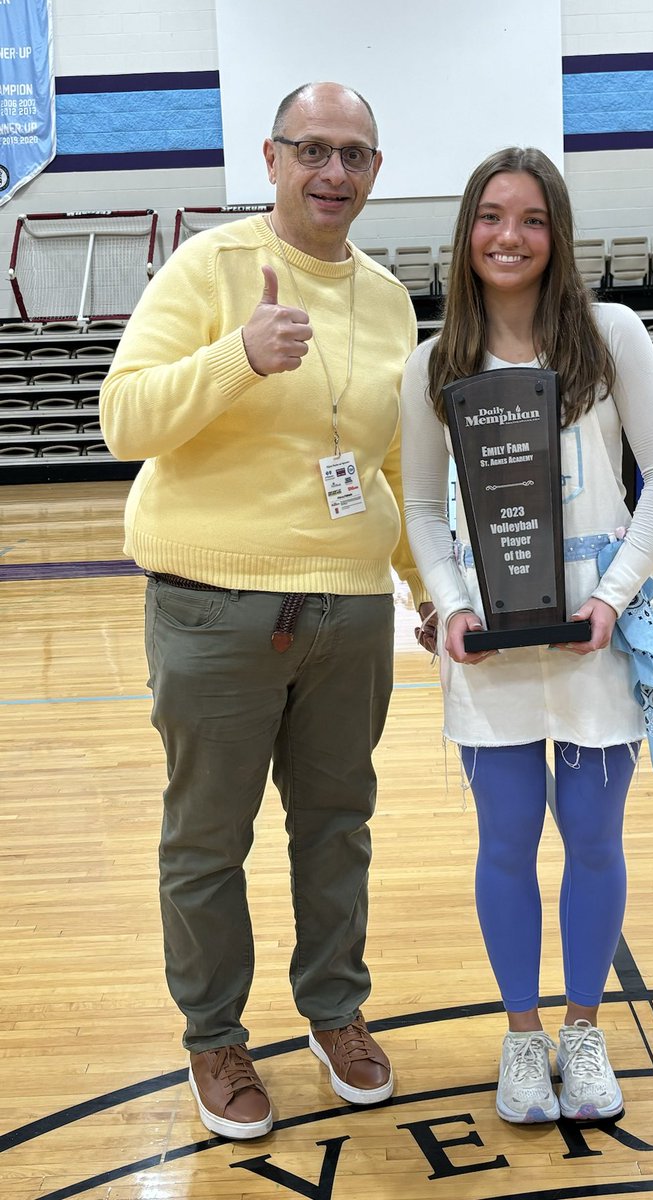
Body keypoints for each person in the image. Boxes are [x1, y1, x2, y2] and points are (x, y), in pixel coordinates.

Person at [99, 81, 432, 1141]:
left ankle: (334, 1012)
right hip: (213, 610)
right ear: (273, 157)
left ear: (375, 173)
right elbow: (122, 418)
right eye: (314, 151)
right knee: (208, 840)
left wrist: (430, 588)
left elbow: (387, 458)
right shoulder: (208, 269)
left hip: (350, 611)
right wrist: (238, 357)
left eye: (357, 157)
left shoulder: (388, 298)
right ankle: (216, 1036)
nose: (335, 173)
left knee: (338, 830)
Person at [401, 147, 653, 1125]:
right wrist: (447, 604)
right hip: (490, 645)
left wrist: (612, 596)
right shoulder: (433, 364)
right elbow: (426, 516)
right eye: (491, 216)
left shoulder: (611, 335)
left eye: (531, 218)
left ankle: (583, 1027)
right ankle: (523, 1039)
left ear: (557, 232)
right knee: (505, 842)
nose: (510, 236)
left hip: (593, 635)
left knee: (595, 840)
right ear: (467, 234)